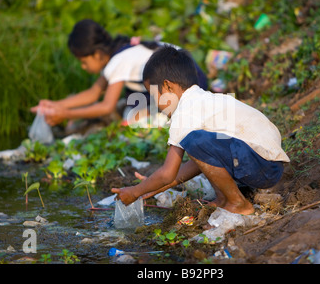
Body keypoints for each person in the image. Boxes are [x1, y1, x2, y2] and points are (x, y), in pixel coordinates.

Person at [112, 46, 290, 215]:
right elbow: (200, 162)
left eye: (153, 96)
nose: (155, 105)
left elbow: (168, 173)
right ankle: (224, 199)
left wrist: (135, 191)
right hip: (267, 164)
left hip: (261, 166)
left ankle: (237, 204)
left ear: (167, 87)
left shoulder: (185, 112)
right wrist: (154, 185)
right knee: (199, 144)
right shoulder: (202, 100)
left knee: (194, 140)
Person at [30, 19, 208, 132]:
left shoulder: (117, 61)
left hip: (186, 85)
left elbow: (107, 106)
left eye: (84, 61)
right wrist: (55, 105)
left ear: (97, 54)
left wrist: (66, 114)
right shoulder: (119, 52)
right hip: (189, 76)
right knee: (130, 107)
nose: (83, 67)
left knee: (130, 119)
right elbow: (94, 92)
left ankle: (164, 120)